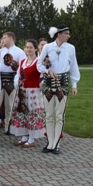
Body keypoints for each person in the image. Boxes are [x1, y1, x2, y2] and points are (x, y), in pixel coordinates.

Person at [37, 26, 80, 154]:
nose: (68, 36)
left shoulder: (70, 48)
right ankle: (50, 143)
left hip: (63, 83)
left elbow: (74, 66)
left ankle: (56, 144)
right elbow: (39, 64)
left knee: (59, 115)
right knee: (49, 115)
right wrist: (47, 70)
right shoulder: (48, 47)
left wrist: (74, 85)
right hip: (49, 83)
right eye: (66, 33)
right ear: (59, 34)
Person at [9, 39, 46, 148]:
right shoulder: (22, 61)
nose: (28, 49)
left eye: (31, 47)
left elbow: (43, 75)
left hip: (33, 92)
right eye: (27, 47)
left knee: (32, 114)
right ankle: (24, 136)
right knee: (22, 113)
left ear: (35, 48)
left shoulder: (39, 61)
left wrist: (42, 83)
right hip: (22, 92)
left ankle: (31, 138)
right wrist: (17, 82)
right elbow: (17, 75)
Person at [0, 32, 26, 134]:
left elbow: (22, 68)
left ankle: (9, 127)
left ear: (11, 38)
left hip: (12, 81)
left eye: (4, 38)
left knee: (10, 105)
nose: (2, 40)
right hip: (0, 80)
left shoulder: (19, 52)